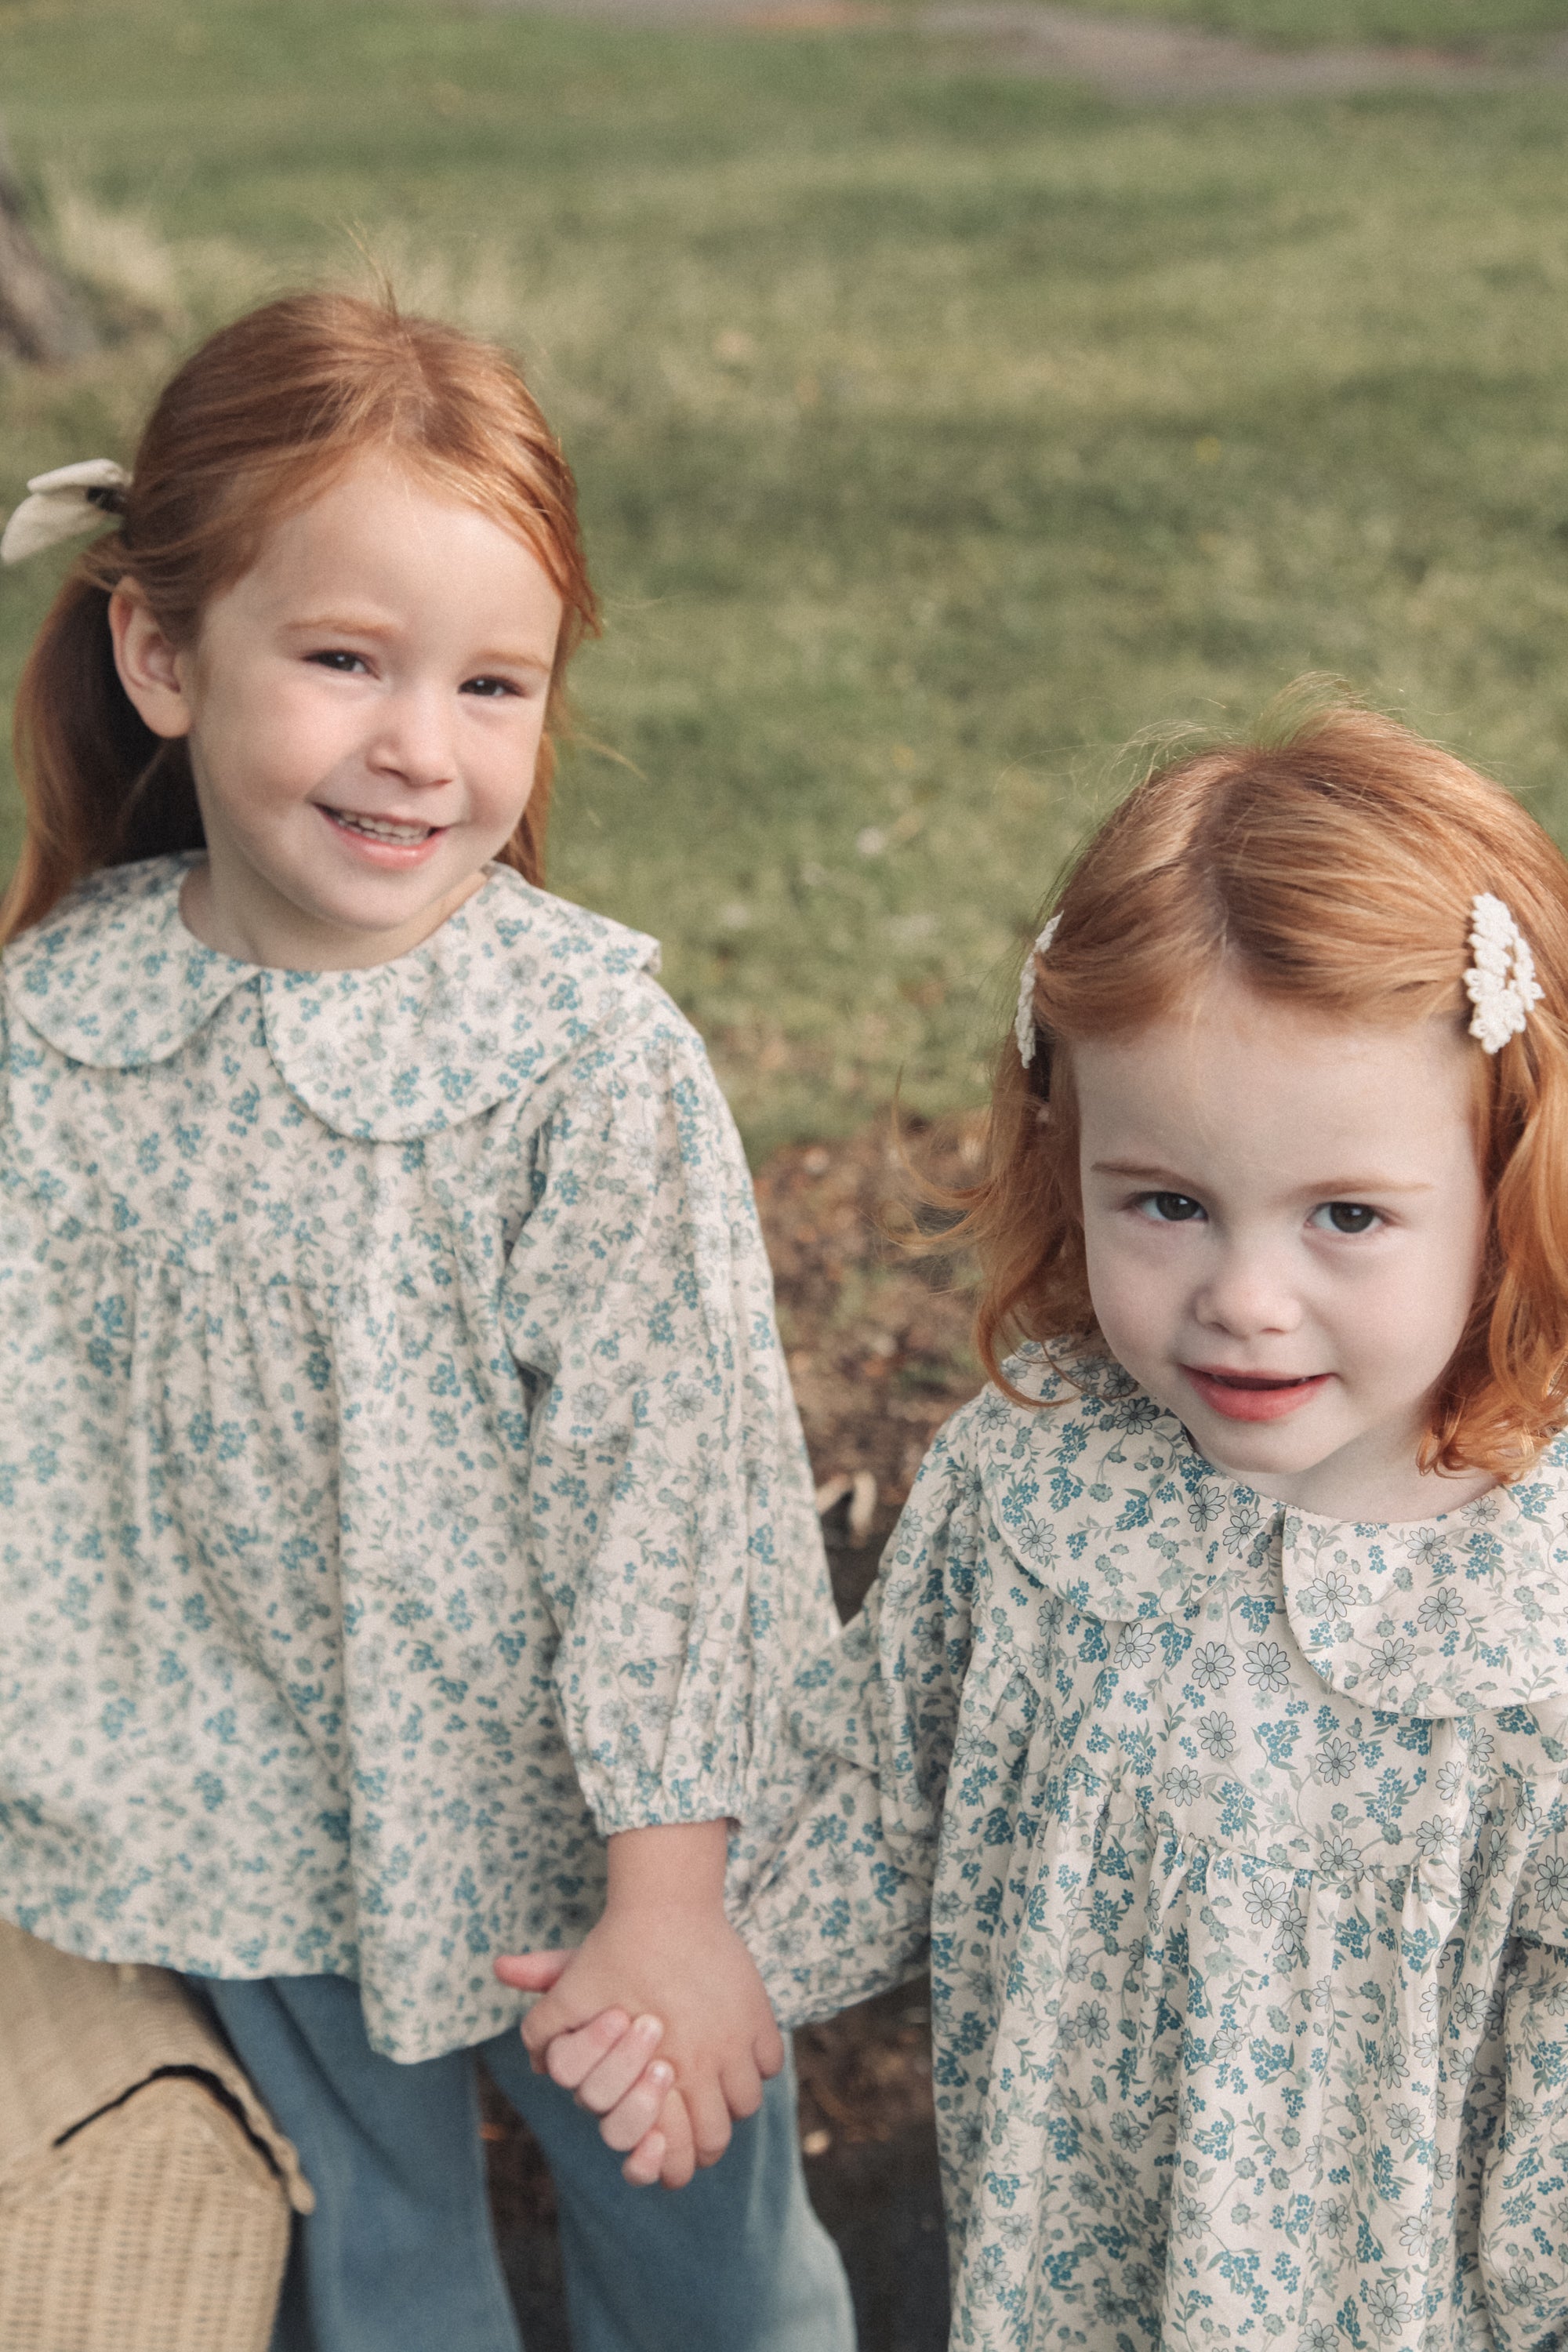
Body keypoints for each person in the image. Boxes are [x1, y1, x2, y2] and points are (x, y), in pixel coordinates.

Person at [0, 292, 855, 2352]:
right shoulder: (57, 1036)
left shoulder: (583, 1065)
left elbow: (683, 1499)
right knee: (376, 2290)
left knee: (711, 2288)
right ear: (158, 652)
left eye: (495, 683)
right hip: (244, 1822)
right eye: (345, 661)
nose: (421, 747)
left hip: (592, 1850)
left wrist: (673, 1900)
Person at [516, 699, 1568, 2350]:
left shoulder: (1533, 1609)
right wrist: (699, 1977)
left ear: (1507, 1179)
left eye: (1346, 1216)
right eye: (1166, 1202)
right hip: (1063, 2278)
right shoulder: (1040, 1489)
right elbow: (885, 1789)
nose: (1244, 1299)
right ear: (1064, 1150)